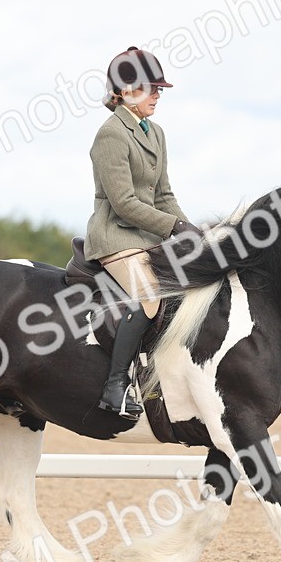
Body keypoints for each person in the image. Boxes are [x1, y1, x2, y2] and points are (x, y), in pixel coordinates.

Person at [84, 46, 199, 418]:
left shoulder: (156, 133)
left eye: (159, 90)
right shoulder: (111, 135)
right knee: (150, 295)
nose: (157, 95)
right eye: (151, 89)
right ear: (124, 92)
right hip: (115, 238)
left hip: (148, 238)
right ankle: (115, 386)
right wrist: (172, 227)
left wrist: (190, 231)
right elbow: (123, 203)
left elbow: (163, 194)